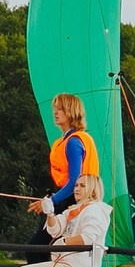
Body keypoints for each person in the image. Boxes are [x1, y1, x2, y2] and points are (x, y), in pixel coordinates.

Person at [16, 172, 111, 267]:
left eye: (82, 186)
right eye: (76, 185)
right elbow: (55, 230)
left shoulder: (95, 209)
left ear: (93, 190)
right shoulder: (73, 210)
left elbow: (88, 238)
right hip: (65, 266)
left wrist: (64, 242)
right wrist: (50, 213)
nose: (77, 189)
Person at [24, 92, 102, 222]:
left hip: (75, 200)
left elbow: (74, 181)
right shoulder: (66, 141)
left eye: (60, 109)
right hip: (72, 196)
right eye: (55, 109)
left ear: (71, 111)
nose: (55, 113)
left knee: (42, 240)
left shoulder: (73, 142)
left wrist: (51, 201)